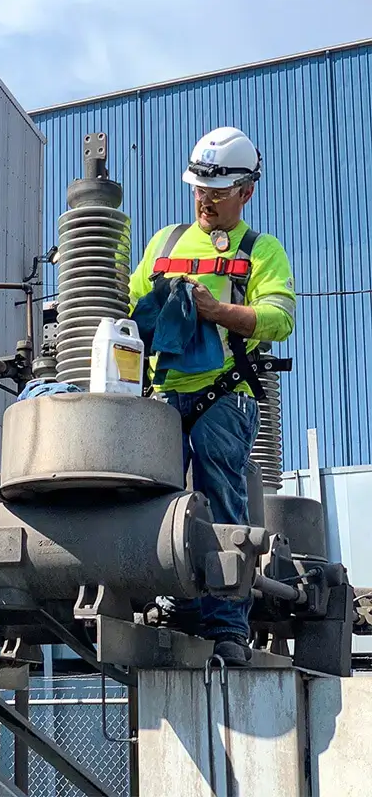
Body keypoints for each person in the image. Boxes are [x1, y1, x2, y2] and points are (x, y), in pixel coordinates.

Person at [130, 126, 296, 666]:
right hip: (164, 393)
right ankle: (174, 602)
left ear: (246, 192)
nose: (205, 199)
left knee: (220, 498)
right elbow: (131, 302)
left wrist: (217, 311)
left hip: (224, 396)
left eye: (218, 191)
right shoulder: (166, 242)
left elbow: (279, 318)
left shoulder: (259, 250)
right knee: (156, 498)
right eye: (199, 188)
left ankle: (227, 625)